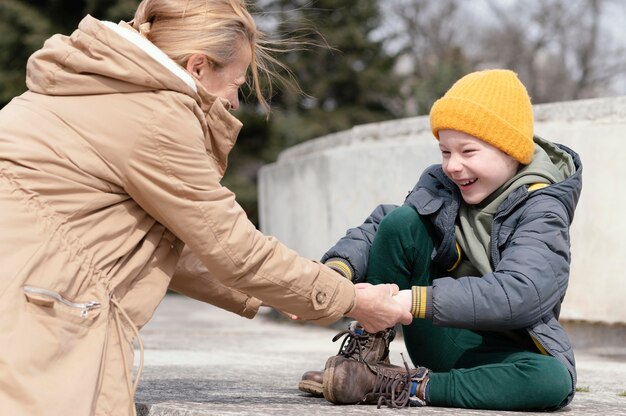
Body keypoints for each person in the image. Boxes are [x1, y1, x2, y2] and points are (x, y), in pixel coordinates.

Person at [0, 1, 412, 415]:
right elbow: (233, 248)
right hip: (31, 320)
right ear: (198, 67)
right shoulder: (154, 114)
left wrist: (285, 293)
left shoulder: (103, 86)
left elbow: (171, 241)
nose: (233, 103)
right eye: (235, 83)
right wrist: (352, 301)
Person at [299, 69, 582, 411]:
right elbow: (382, 227)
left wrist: (412, 301)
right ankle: (365, 358)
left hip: (502, 354)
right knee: (402, 221)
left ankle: (398, 383)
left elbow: (524, 292)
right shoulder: (443, 186)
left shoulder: (542, 209)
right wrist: (335, 271)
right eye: (445, 152)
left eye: (468, 151)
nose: (452, 165)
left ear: (510, 151)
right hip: (442, 335)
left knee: (552, 380)